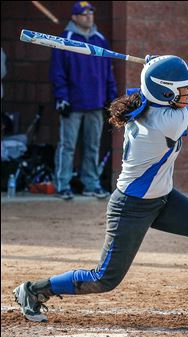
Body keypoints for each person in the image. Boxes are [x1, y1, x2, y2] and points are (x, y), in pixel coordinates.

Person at [13, 55, 188, 327]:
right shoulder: (168, 121)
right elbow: (174, 108)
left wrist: (154, 68)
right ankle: (33, 290)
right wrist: (154, 69)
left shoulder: (147, 104)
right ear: (164, 92)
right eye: (181, 88)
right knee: (104, 278)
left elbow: (149, 90)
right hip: (131, 206)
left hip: (163, 199)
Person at [49, 1, 117, 200]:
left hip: (96, 103)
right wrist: (62, 98)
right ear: (74, 17)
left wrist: (111, 100)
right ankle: (62, 184)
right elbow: (57, 72)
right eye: (84, 13)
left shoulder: (100, 40)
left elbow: (108, 73)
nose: (89, 16)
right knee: (67, 146)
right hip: (72, 104)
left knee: (92, 146)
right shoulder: (66, 39)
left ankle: (91, 184)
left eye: (91, 13)